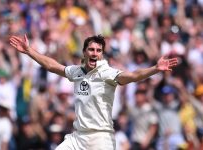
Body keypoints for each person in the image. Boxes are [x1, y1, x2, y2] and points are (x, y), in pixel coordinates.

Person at [9, 34, 178, 150]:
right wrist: (29, 51)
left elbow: (133, 76)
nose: (95, 53)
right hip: (77, 138)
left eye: (98, 51)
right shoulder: (77, 71)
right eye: (91, 50)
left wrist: (155, 69)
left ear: (102, 54)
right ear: (84, 52)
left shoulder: (107, 73)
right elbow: (51, 66)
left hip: (101, 138)